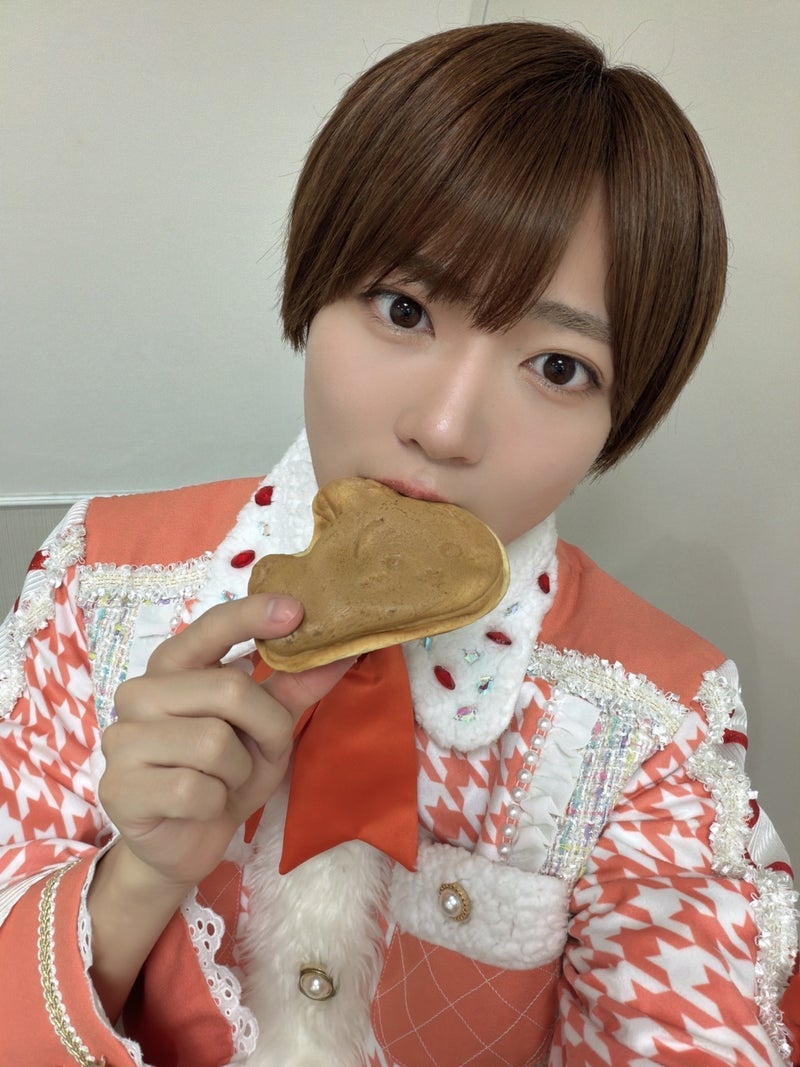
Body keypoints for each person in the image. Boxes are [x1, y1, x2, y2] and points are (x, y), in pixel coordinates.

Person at [0, 19, 796, 1067]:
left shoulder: (650, 724)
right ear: (313, 282)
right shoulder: (99, 587)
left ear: (622, 414)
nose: (446, 428)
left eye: (558, 367)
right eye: (404, 306)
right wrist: (139, 874)